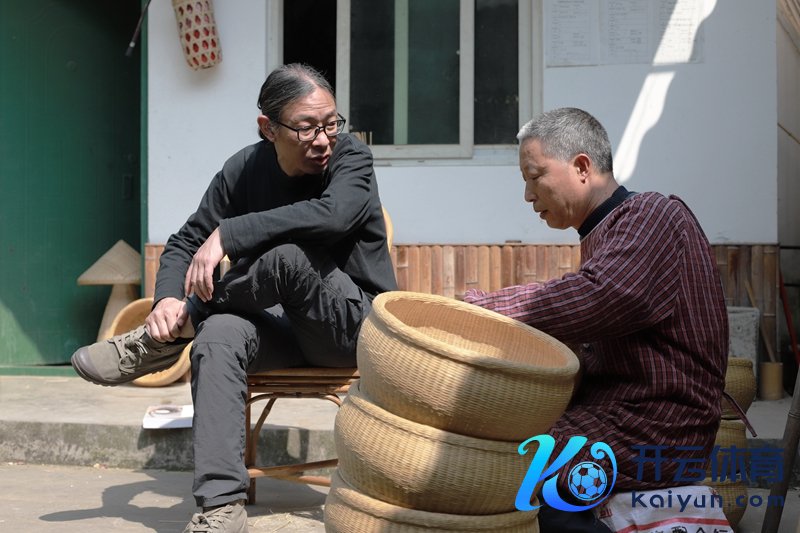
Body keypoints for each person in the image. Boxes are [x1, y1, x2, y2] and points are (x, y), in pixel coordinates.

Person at [71, 63, 397, 533]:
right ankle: (221, 506)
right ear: (269, 128)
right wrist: (165, 298)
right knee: (219, 335)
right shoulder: (243, 169)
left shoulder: (352, 159)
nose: (323, 138)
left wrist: (231, 232)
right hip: (280, 332)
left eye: (330, 123)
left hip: (347, 327)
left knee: (287, 257)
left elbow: (333, 216)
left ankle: (168, 335)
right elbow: (185, 242)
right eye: (306, 128)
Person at [463, 107, 728, 532]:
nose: (528, 196)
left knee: (512, 472)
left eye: (535, 177)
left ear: (582, 167)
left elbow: (605, 295)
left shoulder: (654, 215)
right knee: (494, 446)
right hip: (619, 419)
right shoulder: (609, 233)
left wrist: (482, 311)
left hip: (657, 428)